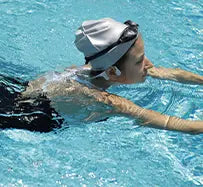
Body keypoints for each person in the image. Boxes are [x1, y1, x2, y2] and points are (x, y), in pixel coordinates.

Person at [0, 18, 203, 133]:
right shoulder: (105, 101)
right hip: (20, 115)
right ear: (113, 72)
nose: (149, 65)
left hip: (20, 88)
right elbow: (167, 122)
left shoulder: (97, 68)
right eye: (140, 60)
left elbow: (169, 74)